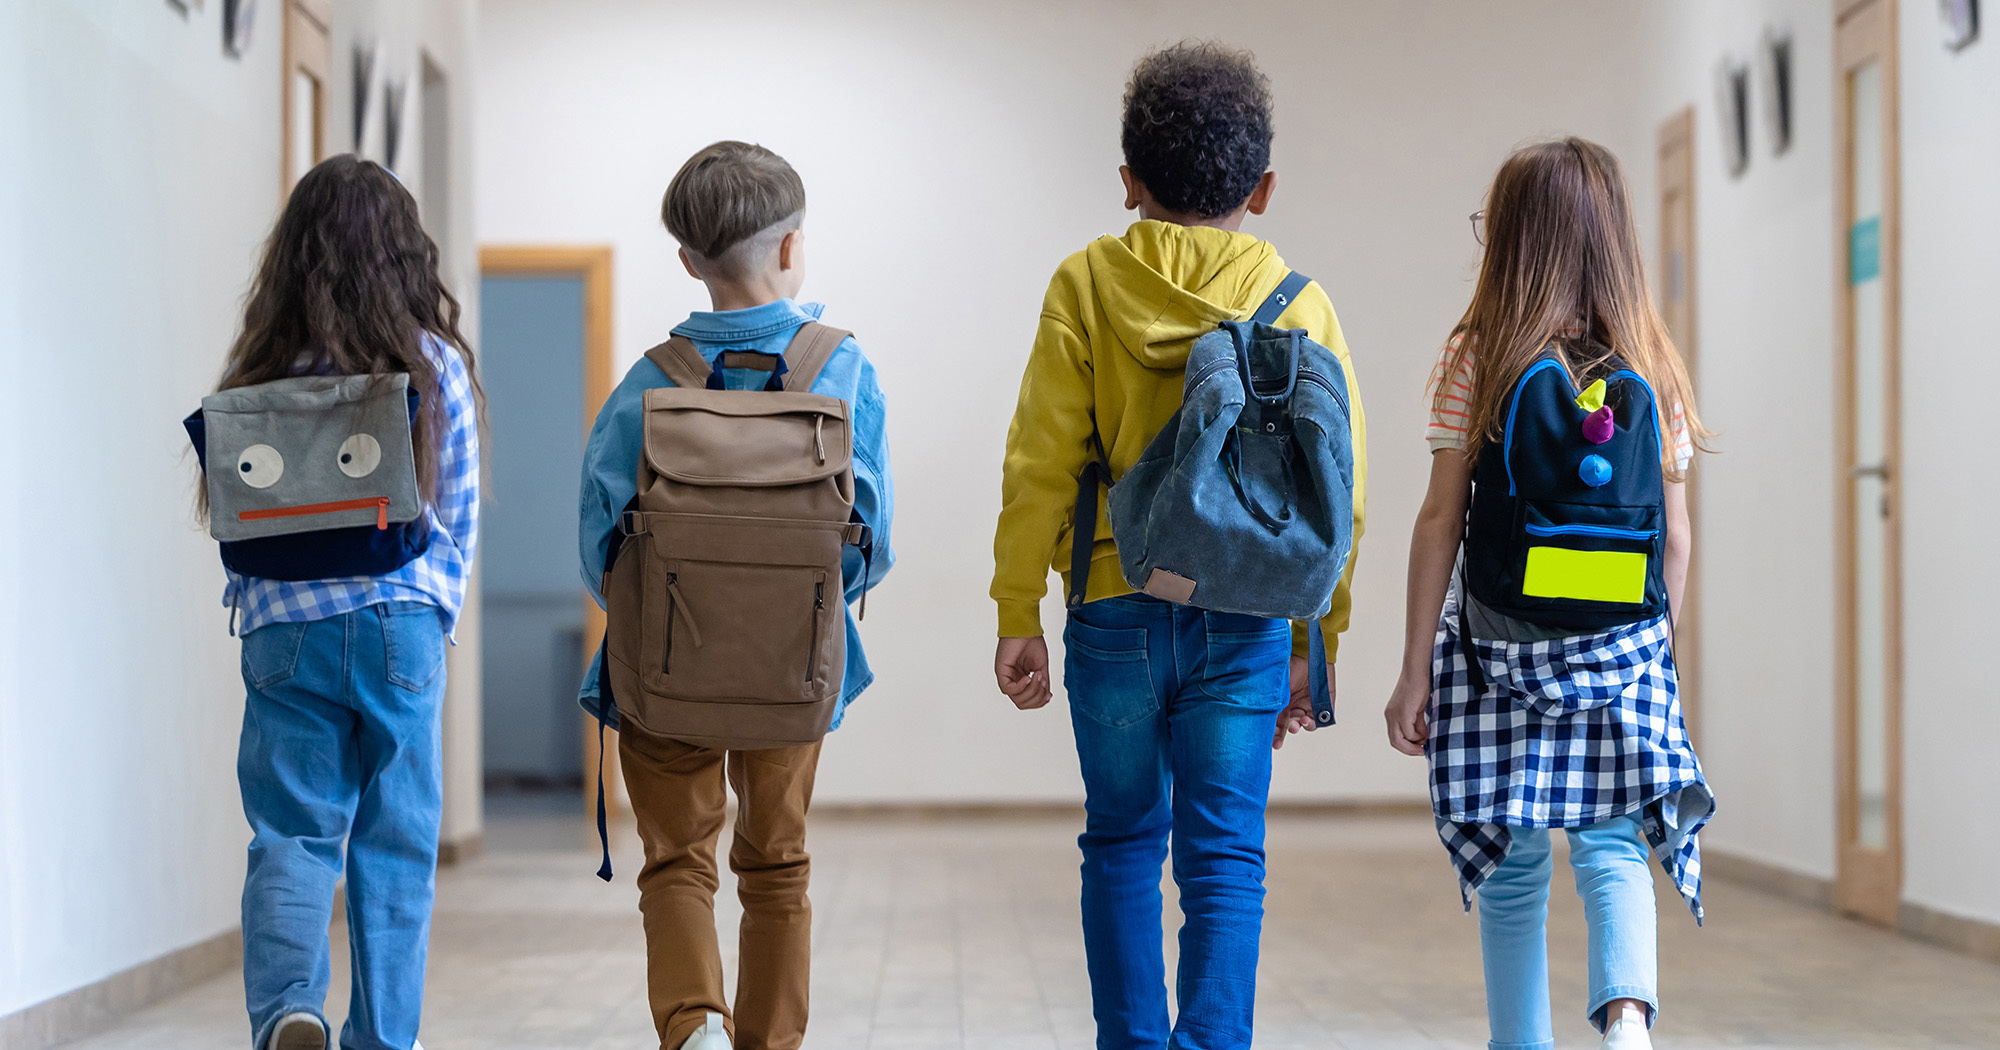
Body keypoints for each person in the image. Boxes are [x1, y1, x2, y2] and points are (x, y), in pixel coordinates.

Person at [989, 43, 1368, 1050]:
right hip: (1245, 620)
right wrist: (1311, 642)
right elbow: (1341, 500)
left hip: (1112, 611)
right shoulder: (1302, 304)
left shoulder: (1082, 284)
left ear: (1127, 183)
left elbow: (1036, 459)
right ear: (1263, 187)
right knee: (1222, 858)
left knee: (1119, 841)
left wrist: (1014, 610)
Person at [1381, 138, 1715, 1050]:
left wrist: (1415, 672)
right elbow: (1675, 538)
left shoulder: (1481, 356)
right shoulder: (1655, 360)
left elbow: (1438, 521)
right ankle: (1629, 1022)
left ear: (1512, 242)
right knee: (1612, 846)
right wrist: (1655, 657)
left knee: (1515, 862)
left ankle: (1519, 1041)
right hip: (1619, 648)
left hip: (1500, 650)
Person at [575, 140, 895, 1050]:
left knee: (677, 859)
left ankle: (691, 1028)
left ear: (686, 259)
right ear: (792, 247)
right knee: (778, 864)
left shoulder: (648, 380)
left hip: (665, 668)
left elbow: (597, 538)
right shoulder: (844, 372)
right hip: (792, 671)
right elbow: (871, 537)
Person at [213, 155, 483, 1050]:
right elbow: (459, 515)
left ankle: (290, 1007)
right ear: (405, 255)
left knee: (292, 836)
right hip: (400, 623)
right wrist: (433, 615)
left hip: (284, 629)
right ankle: (382, 1041)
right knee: (396, 851)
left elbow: (238, 511)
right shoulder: (429, 362)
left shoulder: (264, 371)